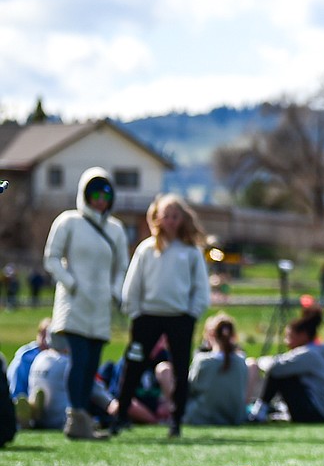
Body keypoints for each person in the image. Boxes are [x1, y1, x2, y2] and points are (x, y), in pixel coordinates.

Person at [112, 193, 211, 438]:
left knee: (180, 369)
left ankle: (176, 420)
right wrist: (134, 312)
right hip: (147, 316)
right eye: (166, 216)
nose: (170, 221)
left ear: (182, 219)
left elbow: (201, 287)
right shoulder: (146, 249)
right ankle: (121, 415)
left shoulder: (190, 251)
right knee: (133, 366)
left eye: (175, 216)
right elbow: (132, 284)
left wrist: (191, 313)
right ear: (157, 218)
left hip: (179, 317)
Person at [43, 167, 129, 440]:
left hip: (100, 306)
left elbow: (121, 267)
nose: (99, 199)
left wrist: (115, 291)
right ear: (84, 194)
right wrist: (71, 283)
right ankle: (76, 414)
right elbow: (52, 257)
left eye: (105, 193)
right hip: (75, 303)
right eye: (94, 192)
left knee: (92, 364)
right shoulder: (68, 221)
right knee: (78, 360)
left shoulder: (115, 229)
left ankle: (83, 418)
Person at [251, 306, 324, 423]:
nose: (286, 342)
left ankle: (258, 413)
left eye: (289, 336)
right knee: (283, 368)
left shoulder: (308, 354)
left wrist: (260, 362)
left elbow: (275, 367)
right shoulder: (319, 352)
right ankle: (269, 411)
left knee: (279, 371)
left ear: (303, 335)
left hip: (315, 413)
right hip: (323, 412)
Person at [184, 313, 249, 426]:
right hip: (235, 417)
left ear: (211, 334)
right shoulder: (241, 361)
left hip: (202, 416)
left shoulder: (202, 361)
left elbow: (190, 388)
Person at [7, 318, 51, 403]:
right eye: (43, 335)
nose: (46, 341)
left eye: (49, 336)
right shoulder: (26, 357)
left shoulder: (61, 357)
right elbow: (16, 390)